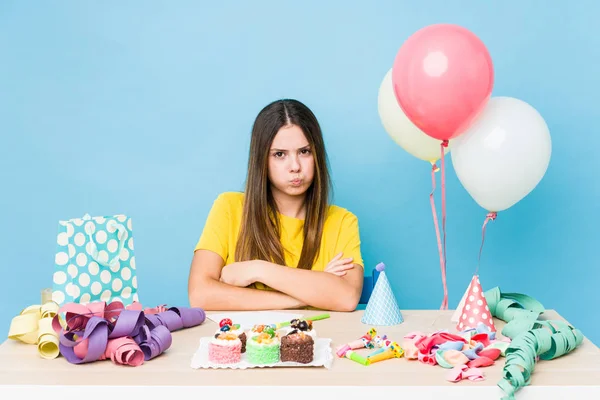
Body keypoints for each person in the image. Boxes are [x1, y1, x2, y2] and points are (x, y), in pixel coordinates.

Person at [187, 99, 364, 312]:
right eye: (280, 154)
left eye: (304, 151)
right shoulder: (229, 208)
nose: (295, 166)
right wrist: (312, 294)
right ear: (262, 159)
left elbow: (346, 298)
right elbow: (200, 294)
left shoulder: (342, 222)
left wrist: (258, 269)